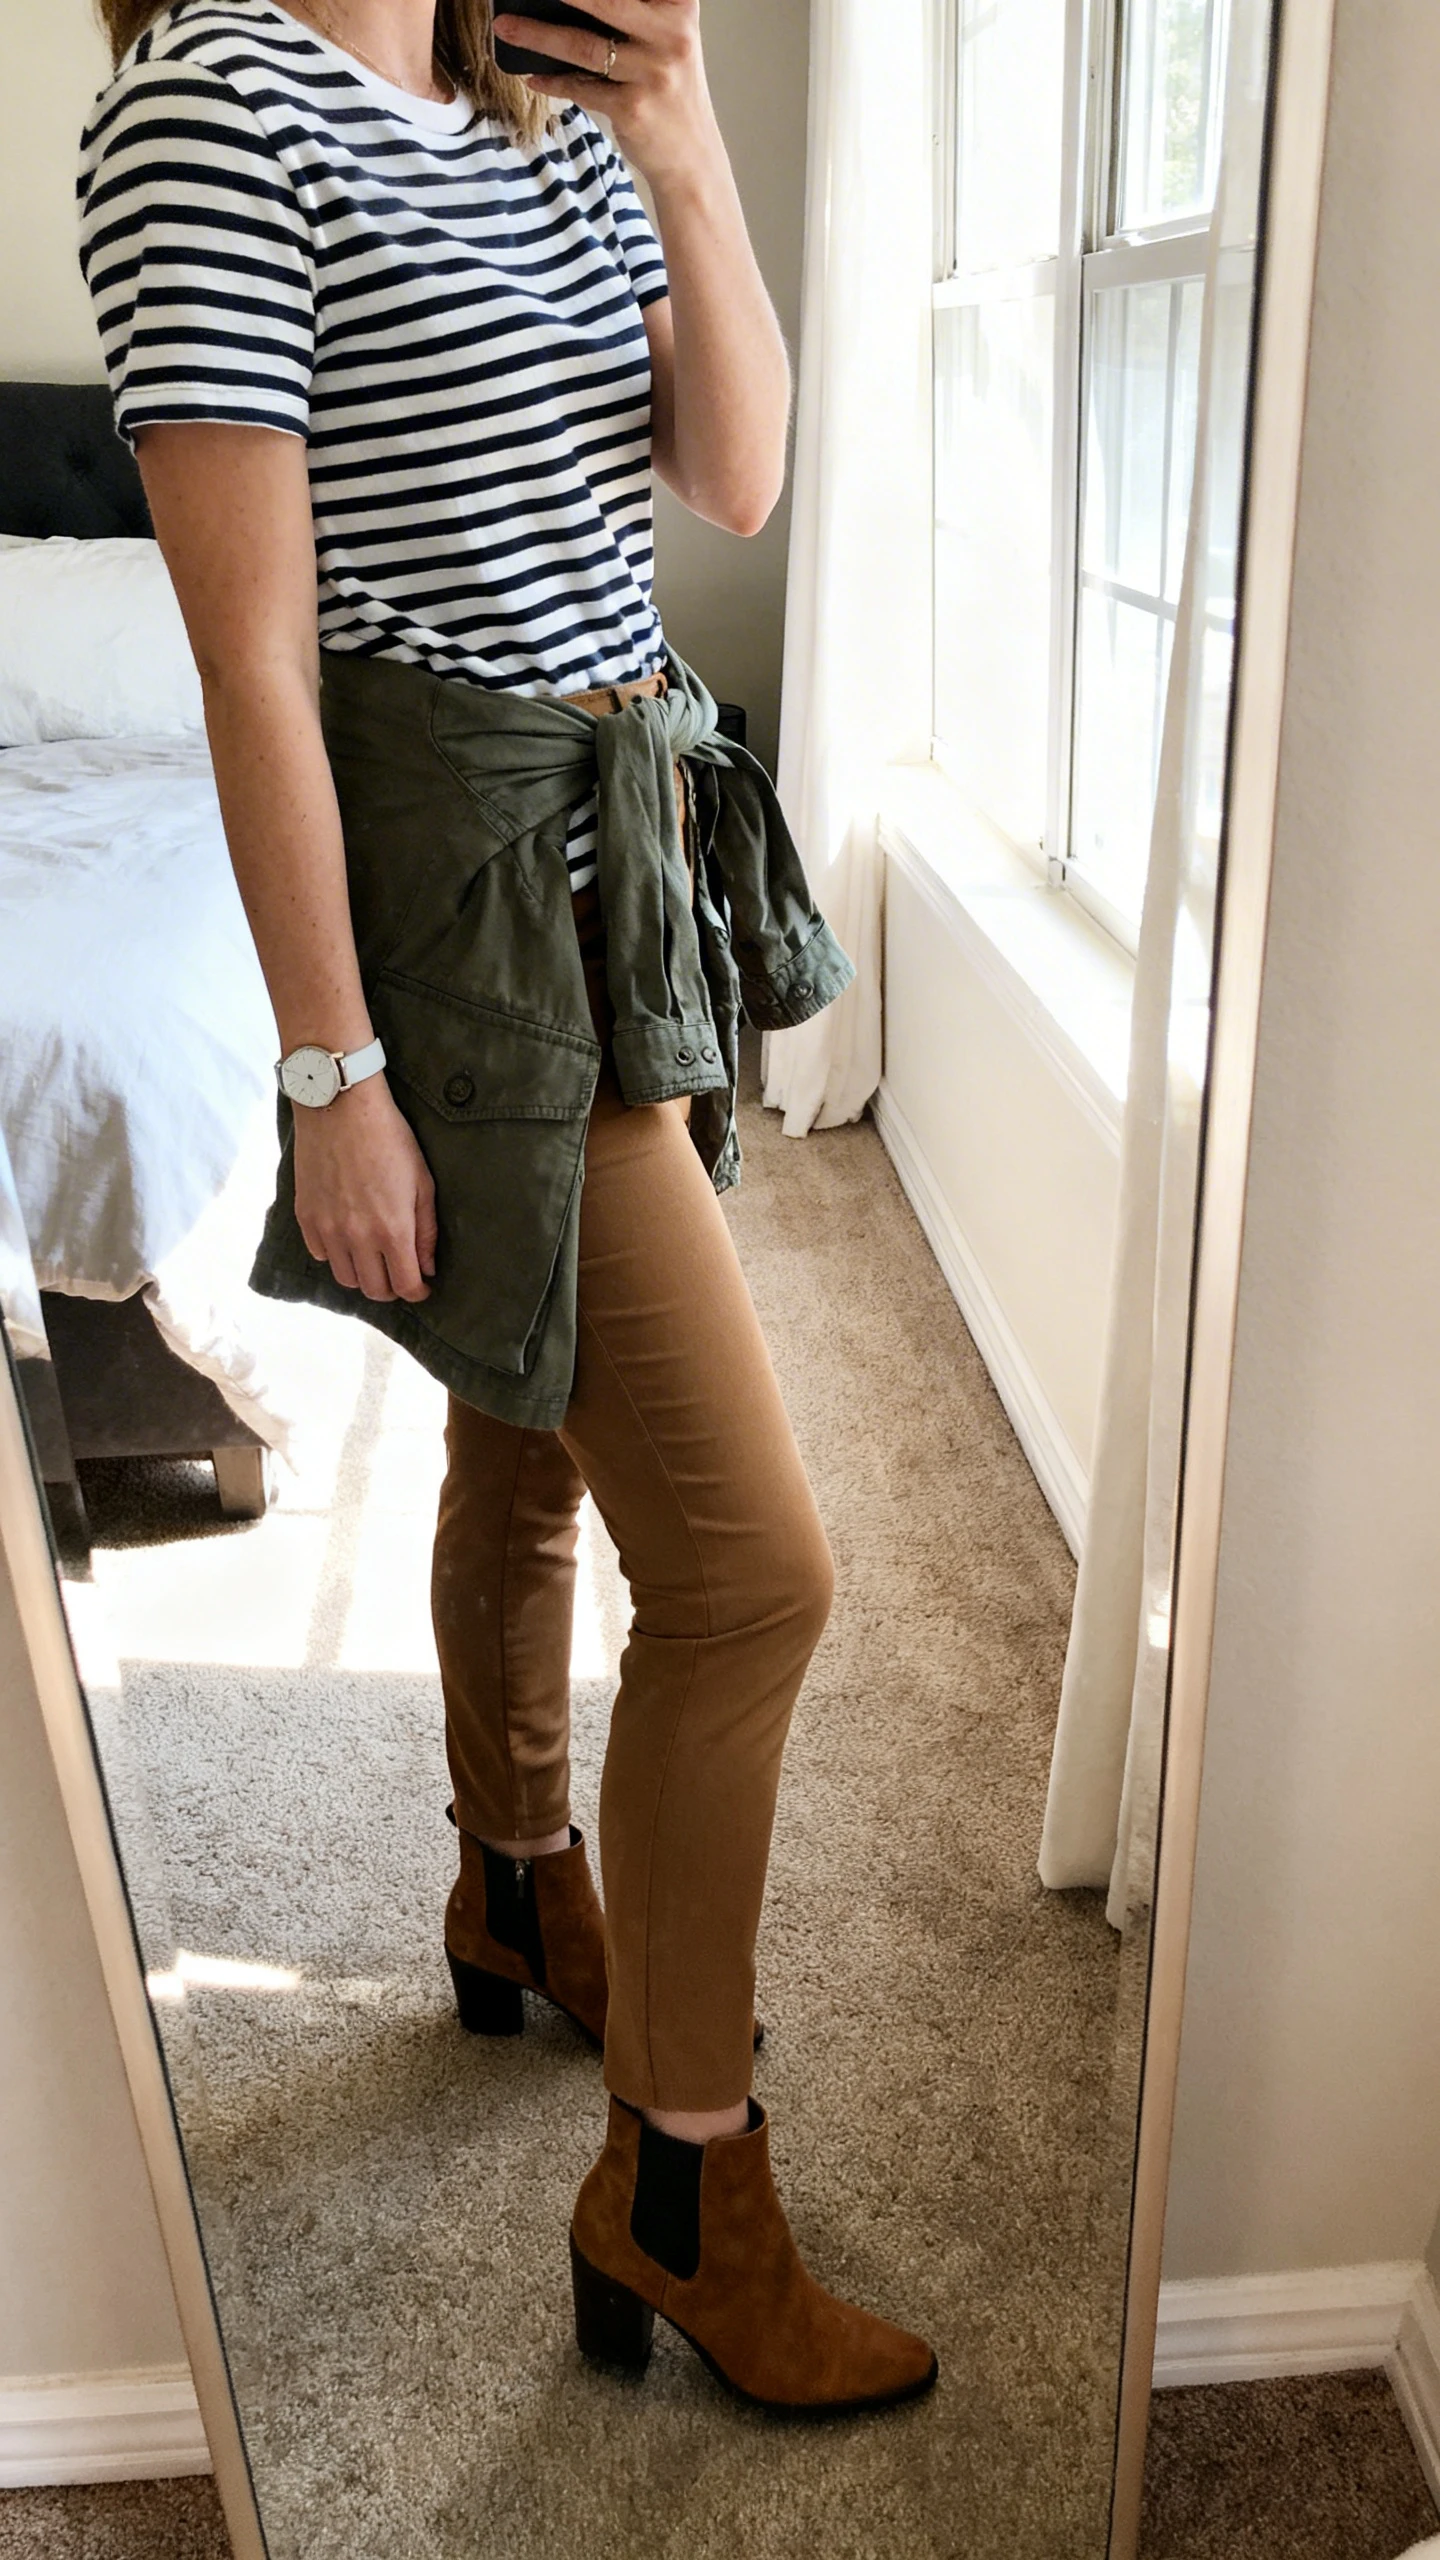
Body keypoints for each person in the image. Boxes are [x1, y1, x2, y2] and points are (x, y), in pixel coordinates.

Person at [80, 0, 936, 2415]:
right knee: (758, 1574)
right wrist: (331, 1066)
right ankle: (681, 2183)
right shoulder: (217, 100)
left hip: (619, 852)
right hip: (458, 906)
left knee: (531, 1425)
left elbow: (734, 475)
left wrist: (682, 125)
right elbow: (254, 661)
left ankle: (512, 1875)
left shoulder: (549, 104)